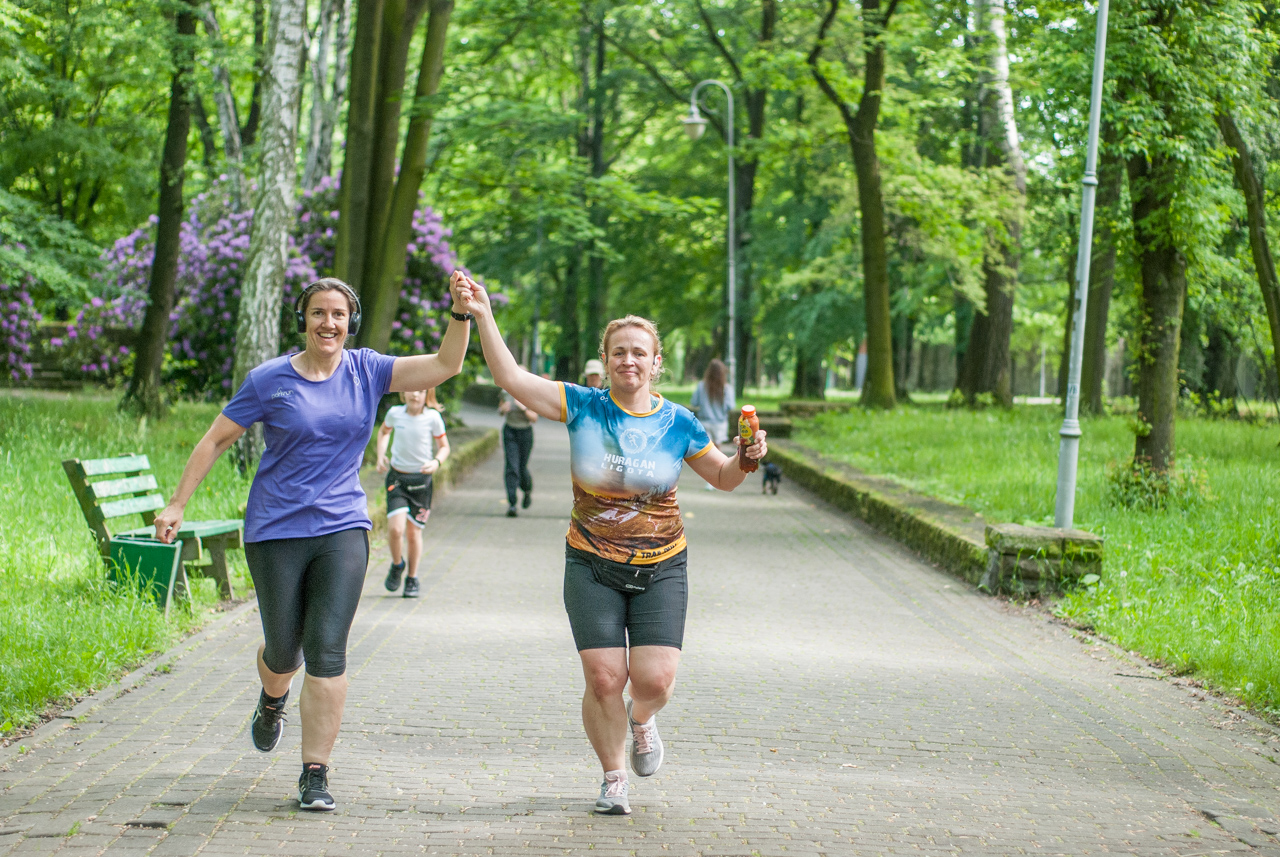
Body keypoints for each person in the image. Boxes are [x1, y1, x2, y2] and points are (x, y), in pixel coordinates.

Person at [153, 274, 473, 812]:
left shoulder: (368, 370)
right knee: (285, 650)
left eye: (339, 314)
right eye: (319, 313)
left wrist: (461, 315)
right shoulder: (268, 379)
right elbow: (215, 438)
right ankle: (272, 698)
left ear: (351, 322)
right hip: (276, 529)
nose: (329, 323)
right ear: (304, 319)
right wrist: (177, 503)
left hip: (342, 526)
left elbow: (446, 365)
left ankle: (315, 774)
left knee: (327, 648)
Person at [453, 274, 767, 816]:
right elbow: (509, 375)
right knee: (604, 676)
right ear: (605, 358)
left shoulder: (679, 422)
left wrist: (746, 456)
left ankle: (642, 719)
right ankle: (613, 775)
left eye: (639, 353)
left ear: (655, 362)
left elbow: (723, 476)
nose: (629, 361)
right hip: (591, 561)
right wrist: (482, 314)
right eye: (619, 352)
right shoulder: (583, 405)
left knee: (655, 681)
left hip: (662, 565)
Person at [376, 387, 449, 597]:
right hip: (397, 478)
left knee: (413, 532)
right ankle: (397, 564)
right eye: (410, 390)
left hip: (421, 482)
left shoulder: (433, 418)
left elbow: (444, 446)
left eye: (420, 391)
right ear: (403, 393)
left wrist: (436, 462)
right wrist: (381, 455)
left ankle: (412, 578)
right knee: (395, 530)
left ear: (428, 394)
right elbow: (383, 432)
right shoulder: (395, 414)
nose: (415, 394)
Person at [688, 358, 735, 489]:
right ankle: (721, 477)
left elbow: (694, 402)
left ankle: (709, 480)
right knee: (718, 450)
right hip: (720, 423)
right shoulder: (726, 388)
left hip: (704, 422)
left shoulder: (701, 386)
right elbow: (730, 406)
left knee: (707, 452)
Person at [498, 380, 537, 517]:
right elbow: (500, 410)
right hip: (510, 431)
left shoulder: (530, 394)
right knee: (511, 466)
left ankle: (527, 490)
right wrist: (502, 409)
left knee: (521, 467)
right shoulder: (505, 392)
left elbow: (535, 418)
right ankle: (512, 504)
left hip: (525, 432)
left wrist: (524, 409)